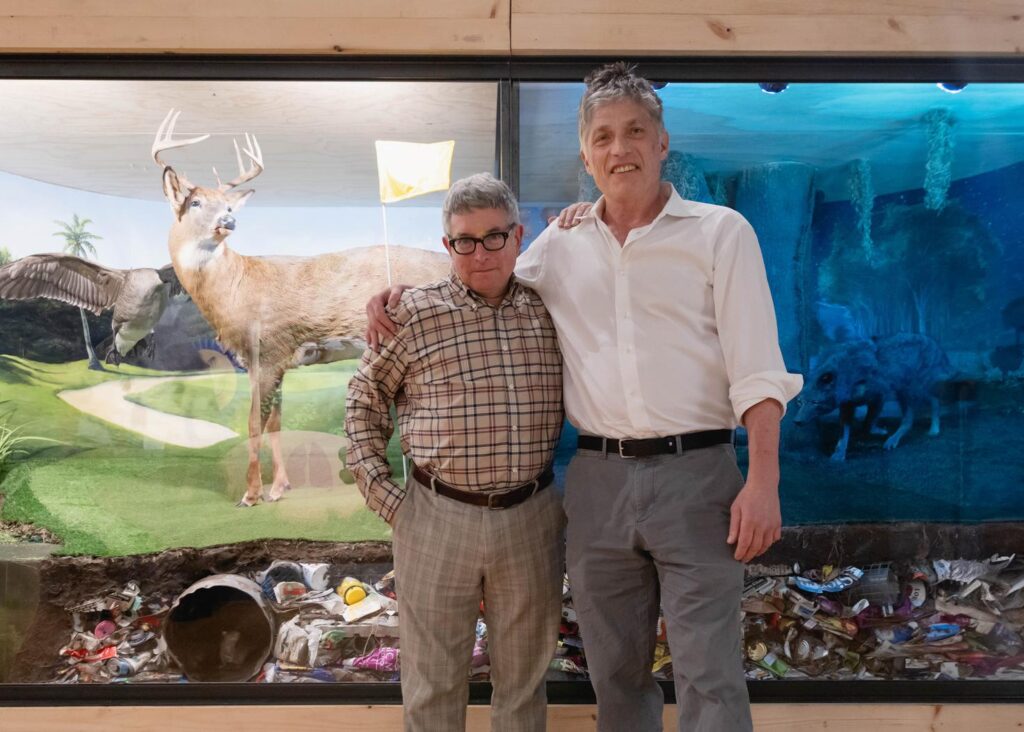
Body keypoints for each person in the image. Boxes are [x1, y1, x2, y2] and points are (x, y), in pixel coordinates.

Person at [367, 64, 803, 732]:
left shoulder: (721, 233)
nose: (619, 148)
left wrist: (764, 481)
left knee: (710, 674)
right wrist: (401, 293)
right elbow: (485, 269)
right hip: (598, 485)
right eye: (603, 136)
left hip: (699, 477)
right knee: (615, 674)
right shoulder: (561, 244)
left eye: (635, 131)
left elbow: (758, 370)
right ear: (586, 155)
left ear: (662, 141)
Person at [345, 172, 566, 732]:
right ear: (448, 245)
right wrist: (392, 502)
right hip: (435, 518)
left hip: (532, 519)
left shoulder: (550, 308)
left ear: (518, 236)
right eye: (465, 241)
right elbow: (363, 402)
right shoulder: (412, 314)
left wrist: (586, 212)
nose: (481, 253)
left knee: (524, 685)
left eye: (494, 236)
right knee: (433, 686)